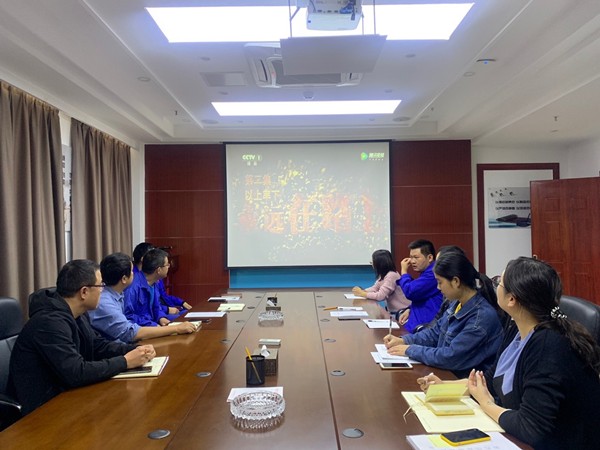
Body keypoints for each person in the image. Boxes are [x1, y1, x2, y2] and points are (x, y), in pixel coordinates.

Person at [417, 258, 600, 449]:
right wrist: (445, 387)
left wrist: (487, 404)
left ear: (512, 299)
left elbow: (530, 427)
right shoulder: (516, 328)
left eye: (499, 282)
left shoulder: (548, 345)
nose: (495, 285)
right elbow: (489, 381)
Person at [8, 259, 156, 416]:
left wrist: (135, 349)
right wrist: (125, 361)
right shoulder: (49, 323)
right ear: (84, 292)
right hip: (42, 409)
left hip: (68, 397)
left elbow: (97, 345)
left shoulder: (78, 314)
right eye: (100, 285)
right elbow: (76, 372)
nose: (103, 290)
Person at [384, 251, 503, 377]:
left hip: (462, 382)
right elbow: (434, 333)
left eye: (440, 282)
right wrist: (404, 340)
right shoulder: (457, 304)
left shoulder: (481, 317)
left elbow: (451, 356)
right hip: (446, 374)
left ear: (456, 281)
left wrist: (410, 350)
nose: (438, 288)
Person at [89, 252, 198, 343]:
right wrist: (175, 328)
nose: (134, 273)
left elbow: (155, 307)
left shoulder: (118, 294)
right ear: (124, 279)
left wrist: (160, 318)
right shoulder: (106, 301)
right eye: (132, 271)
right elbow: (129, 332)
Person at [395, 239, 443, 332]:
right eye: (411, 257)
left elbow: (410, 292)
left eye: (416, 257)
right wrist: (409, 309)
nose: (412, 261)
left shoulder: (433, 273)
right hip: (413, 327)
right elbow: (421, 296)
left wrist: (404, 272)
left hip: (423, 331)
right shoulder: (425, 273)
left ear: (430, 258)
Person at [133, 242, 192, 313]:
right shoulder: (134, 281)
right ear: (143, 259)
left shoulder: (155, 278)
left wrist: (181, 302)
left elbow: (163, 297)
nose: (157, 256)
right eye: (152, 254)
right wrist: (167, 310)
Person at [125, 248, 176, 326]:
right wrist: (153, 325)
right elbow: (128, 316)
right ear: (158, 270)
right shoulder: (133, 287)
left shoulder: (154, 282)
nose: (168, 267)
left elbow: (156, 307)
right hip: (142, 326)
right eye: (167, 265)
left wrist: (161, 318)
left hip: (152, 321)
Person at [352, 249, 410, 315]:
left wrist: (363, 294)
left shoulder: (391, 275)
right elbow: (375, 288)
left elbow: (381, 296)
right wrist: (363, 291)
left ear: (380, 263)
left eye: (373, 261)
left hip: (401, 312)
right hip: (394, 312)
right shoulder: (384, 274)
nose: (372, 263)